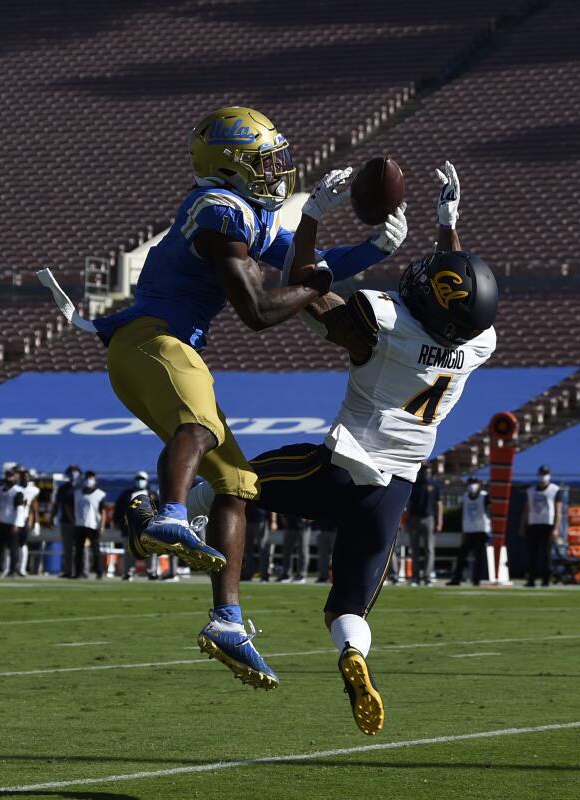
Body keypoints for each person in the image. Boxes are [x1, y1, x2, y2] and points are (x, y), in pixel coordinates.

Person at [38, 107, 407, 673]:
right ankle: (166, 514)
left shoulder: (246, 214)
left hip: (165, 349)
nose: (277, 170)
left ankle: (227, 621)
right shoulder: (218, 212)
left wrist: (378, 247)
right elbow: (259, 310)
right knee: (203, 429)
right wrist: (316, 284)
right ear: (229, 167)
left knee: (239, 482)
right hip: (151, 341)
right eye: (265, 161)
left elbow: (312, 264)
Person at [180, 162, 496, 734]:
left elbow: (304, 291)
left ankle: (168, 516)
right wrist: (449, 226)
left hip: (345, 465)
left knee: (233, 482)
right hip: (394, 491)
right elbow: (459, 291)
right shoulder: (479, 342)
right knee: (346, 608)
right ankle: (354, 657)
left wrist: (313, 218)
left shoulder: (385, 321)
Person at [113, 471, 161, 581]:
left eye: (142, 479)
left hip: (148, 528)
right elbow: (118, 509)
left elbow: (159, 509)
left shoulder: (152, 495)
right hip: (129, 528)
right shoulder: (127, 494)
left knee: (150, 551)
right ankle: (128, 572)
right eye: (138, 479)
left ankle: (152, 572)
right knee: (130, 550)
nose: (140, 481)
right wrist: (117, 522)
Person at [520, 466, 562, 588]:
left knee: (546, 553)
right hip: (534, 524)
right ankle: (531, 579)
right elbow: (526, 509)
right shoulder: (531, 490)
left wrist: (556, 527)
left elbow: (558, 511)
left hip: (548, 524)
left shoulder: (555, 490)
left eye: (546, 474)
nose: (543, 476)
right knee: (532, 553)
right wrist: (522, 525)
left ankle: (546, 579)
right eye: (541, 474)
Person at [451, 476, 492, 586]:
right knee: (462, 556)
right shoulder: (465, 497)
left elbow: (491, 509)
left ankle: (476, 580)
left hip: (481, 530)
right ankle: (456, 578)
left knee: (479, 557)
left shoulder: (484, 496)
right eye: (470, 483)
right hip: (468, 530)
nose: (472, 485)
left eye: (474, 483)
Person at [406, 463, 442, 586]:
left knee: (429, 549)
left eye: (427, 469)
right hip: (414, 518)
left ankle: (427, 576)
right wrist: (406, 521)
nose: (426, 471)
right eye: (424, 469)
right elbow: (408, 504)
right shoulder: (414, 484)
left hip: (429, 518)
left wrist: (439, 521)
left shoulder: (435, 485)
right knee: (414, 549)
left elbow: (439, 504)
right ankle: (415, 577)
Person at [71, 471, 109, 578]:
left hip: (93, 525)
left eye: (91, 478)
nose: (89, 480)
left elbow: (103, 511)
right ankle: (78, 572)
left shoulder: (99, 494)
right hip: (79, 524)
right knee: (78, 551)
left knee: (95, 550)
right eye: (87, 478)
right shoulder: (77, 493)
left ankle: (99, 572)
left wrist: (102, 525)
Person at [50, 464, 81, 578]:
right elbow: (57, 504)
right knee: (67, 548)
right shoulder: (63, 488)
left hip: (81, 523)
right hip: (66, 521)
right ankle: (68, 571)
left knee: (81, 548)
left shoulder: (82, 488)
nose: (73, 474)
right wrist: (52, 517)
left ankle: (81, 571)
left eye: (75, 471)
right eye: (70, 472)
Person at [241, 501, 273, 582]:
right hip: (248, 520)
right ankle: (248, 574)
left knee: (263, 549)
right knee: (248, 550)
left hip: (261, 519)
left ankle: (264, 575)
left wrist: (273, 521)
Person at [279, 514, 311, 582]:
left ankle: (302, 575)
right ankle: (286, 575)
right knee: (286, 551)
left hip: (303, 527)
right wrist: (282, 517)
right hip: (289, 525)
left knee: (303, 551)